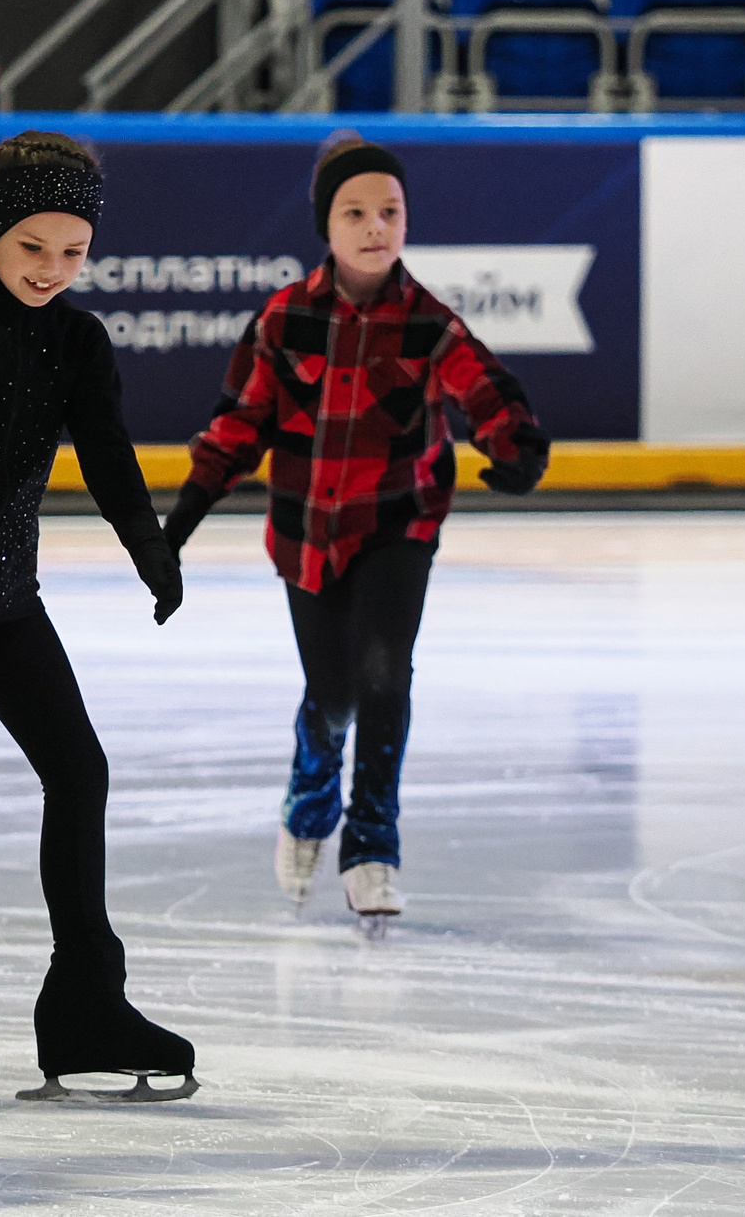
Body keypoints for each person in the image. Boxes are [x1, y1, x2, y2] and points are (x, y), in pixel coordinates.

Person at [0, 131, 199, 1107]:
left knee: (78, 769)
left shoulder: (78, 342)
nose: (53, 270)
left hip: (11, 600)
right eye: (33, 250)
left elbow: (107, 458)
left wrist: (153, 551)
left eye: (72, 253)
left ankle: (85, 1007)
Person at [163, 132, 551, 933]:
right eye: (356, 212)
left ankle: (373, 841)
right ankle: (311, 793)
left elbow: (485, 389)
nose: (376, 226)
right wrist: (185, 516)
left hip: (397, 523)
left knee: (383, 675)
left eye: (390, 211)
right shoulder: (286, 318)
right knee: (333, 694)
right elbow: (239, 423)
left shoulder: (427, 323)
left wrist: (516, 446)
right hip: (307, 531)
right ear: (326, 225)